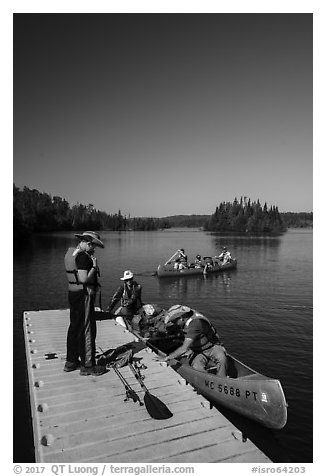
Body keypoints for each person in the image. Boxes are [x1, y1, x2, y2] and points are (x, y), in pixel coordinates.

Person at [64, 231, 106, 376]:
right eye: (93, 246)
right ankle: (88, 365)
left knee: (75, 326)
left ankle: (71, 361)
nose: (94, 250)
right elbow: (83, 279)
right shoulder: (83, 257)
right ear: (88, 243)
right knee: (87, 330)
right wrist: (94, 266)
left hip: (73, 294)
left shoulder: (71, 253)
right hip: (83, 296)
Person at [160, 305, 227, 376]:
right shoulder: (189, 316)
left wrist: (167, 358)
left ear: (181, 318)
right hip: (198, 350)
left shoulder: (195, 323)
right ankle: (206, 378)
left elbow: (184, 348)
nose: (174, 323)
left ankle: (222, 379)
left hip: (212, 346)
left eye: (174, 321)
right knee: (196, 367)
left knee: (222, 360)